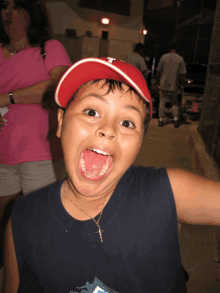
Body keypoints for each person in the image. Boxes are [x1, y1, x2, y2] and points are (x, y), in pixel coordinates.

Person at [3, 57, 220, 293]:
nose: (107, 129)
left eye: (127, 122)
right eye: (92, 111)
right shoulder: (22, 218)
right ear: (61, 121)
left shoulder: (169, 191)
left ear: (139, 143)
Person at [0, 0, 71, 209]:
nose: (8, 12)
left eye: (16, 6)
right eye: (4, 6)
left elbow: (57, 87)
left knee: (39, 219)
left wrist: (6, 97)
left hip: (40, 152)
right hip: (3, 153)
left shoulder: (49, 48)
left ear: (32, 13)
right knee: (6, 222)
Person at [156, 42, 186, 128]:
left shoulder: (164, 57)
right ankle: (176, 119)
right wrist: (182, 84)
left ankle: (161, 120)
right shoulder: (180, 59)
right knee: (174, 103)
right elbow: (183, 74)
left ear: (169, 48)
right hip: (174, 85)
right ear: (176, 49)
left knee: (162, 102)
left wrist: (156, 81)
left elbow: (158, 71)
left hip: (163, 84)